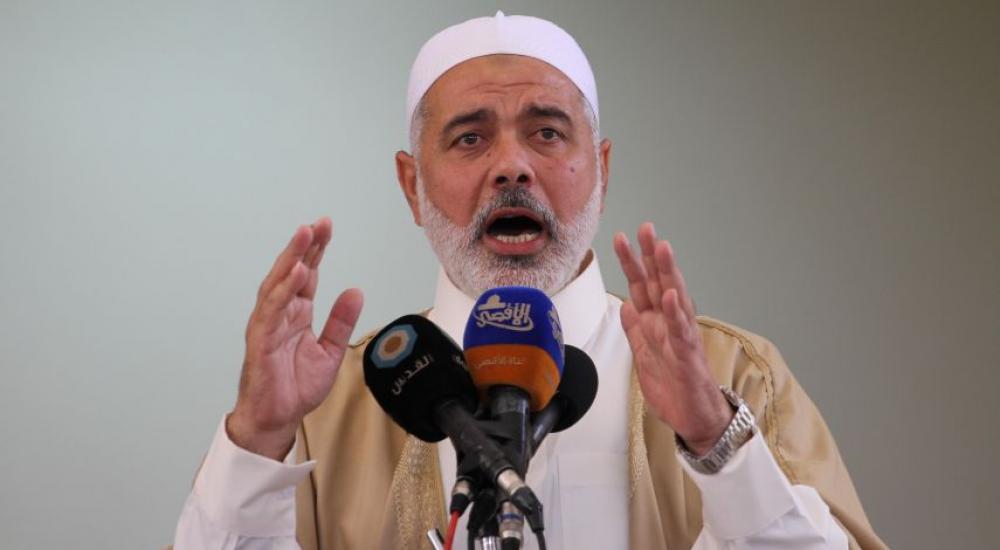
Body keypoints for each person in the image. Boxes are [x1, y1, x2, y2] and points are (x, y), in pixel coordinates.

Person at [173, 12, 886, 550]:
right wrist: (258, 437)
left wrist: (713, 441)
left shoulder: (732, 379)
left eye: (547, 132)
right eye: (470, 138)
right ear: (412, 185)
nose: (512, 167)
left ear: (601, 169)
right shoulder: (333, 405)